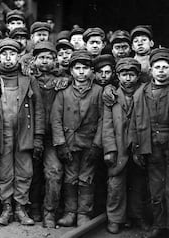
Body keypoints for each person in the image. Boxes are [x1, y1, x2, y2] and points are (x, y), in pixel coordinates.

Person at [0, 38, 45, 226]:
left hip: (24, 133)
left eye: (12, 54)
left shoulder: (28, 80)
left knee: (25, 170)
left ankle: (21, 207)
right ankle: (6, 207)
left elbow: (38, 110)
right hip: (2, 132)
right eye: (4, 54)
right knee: (4, 170)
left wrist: (38, 137)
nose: (8, 58)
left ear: (18, 56)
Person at [130, 48, 169, 238]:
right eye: (157, 67)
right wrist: (137, 147)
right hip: (152, 148)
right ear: (151, 70)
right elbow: (135, 122)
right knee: (156, 190)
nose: (161, 71)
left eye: (165, 67)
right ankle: (159, 225)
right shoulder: (141, 93)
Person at [51, 50, 103, 227]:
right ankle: (70, 211)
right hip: (69, 143)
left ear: (91, 71)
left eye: (85, 68)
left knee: (86, 178)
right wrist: (60, 144)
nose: (81, 72)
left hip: (89, 143)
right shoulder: (63, 92)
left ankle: (84, 213)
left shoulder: (99, 91)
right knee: (70, 177)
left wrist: (97, 144)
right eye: (77, 68)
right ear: (71, 71)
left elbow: (104, 119)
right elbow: (55, 119)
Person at [102, 57, 144, 234]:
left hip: (138, 146)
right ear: (117, 75)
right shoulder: (111, 96)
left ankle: (136, 216)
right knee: (116, 185)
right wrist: (110, 149)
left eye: (131, 75)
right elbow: (107, 124)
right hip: (118, 148)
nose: (128, 79)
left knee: (139, 184)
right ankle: (115, 218)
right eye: (124, 75)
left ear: (138, 76)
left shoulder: (144, 92)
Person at [31, 41, 67, 227]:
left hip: (53, 137)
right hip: (29, 135)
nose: (45, 61)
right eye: (41, 58)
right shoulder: (28, 79)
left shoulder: (62, 81)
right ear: (34, 60)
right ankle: (34, 207)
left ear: (55, 61)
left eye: (49, 58)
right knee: (31, 173)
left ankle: (49, 212)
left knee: (54, 172)